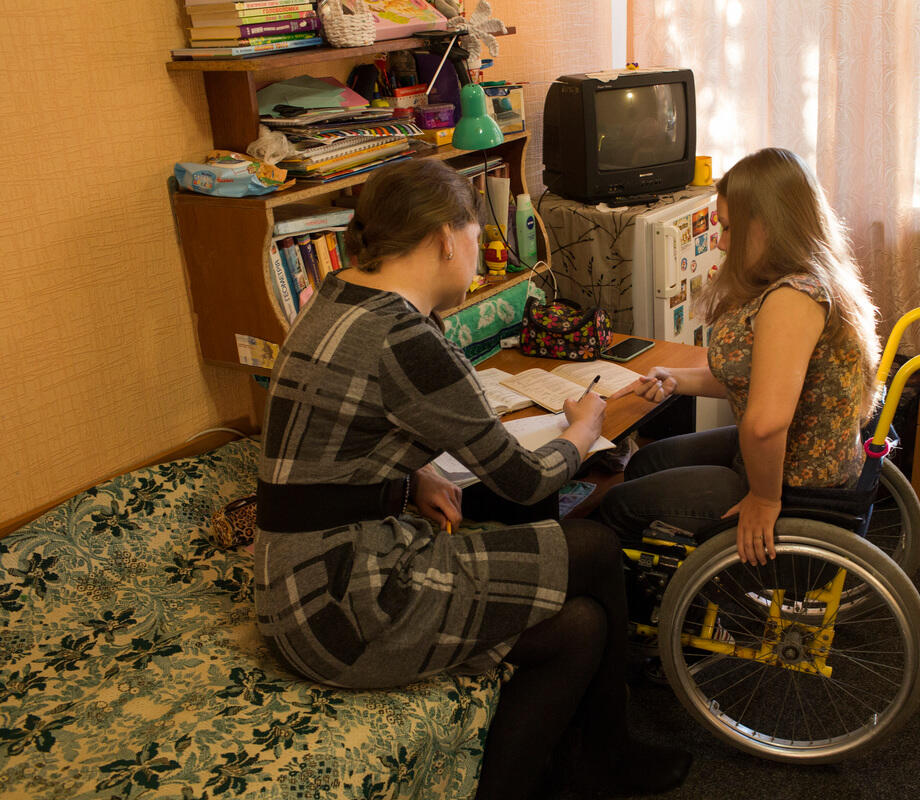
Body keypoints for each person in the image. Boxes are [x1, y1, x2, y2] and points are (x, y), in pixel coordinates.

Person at [253, 159, 691, 799]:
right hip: (343, 607)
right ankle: (610, 751)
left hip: (293, 588)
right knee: (592, 549)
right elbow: (524, 482)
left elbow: (345, 434)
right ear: (442, 239)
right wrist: (585, 426)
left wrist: (413, 479)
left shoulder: (337, 298)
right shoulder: (410, 342)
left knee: (580, 628)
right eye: (472, 234)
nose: (479, 257)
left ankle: (571, 766)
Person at [595, 147, 881, 566]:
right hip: (801, 459)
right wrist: (677, 378)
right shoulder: (810, 277)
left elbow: (765, 426)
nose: (722, 242)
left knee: (617, 504)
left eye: (729, 229)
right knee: (649, 461)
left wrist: (764, 500)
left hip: (792, 482)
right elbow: (760, 376)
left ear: (767, 225)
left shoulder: (792, 299)